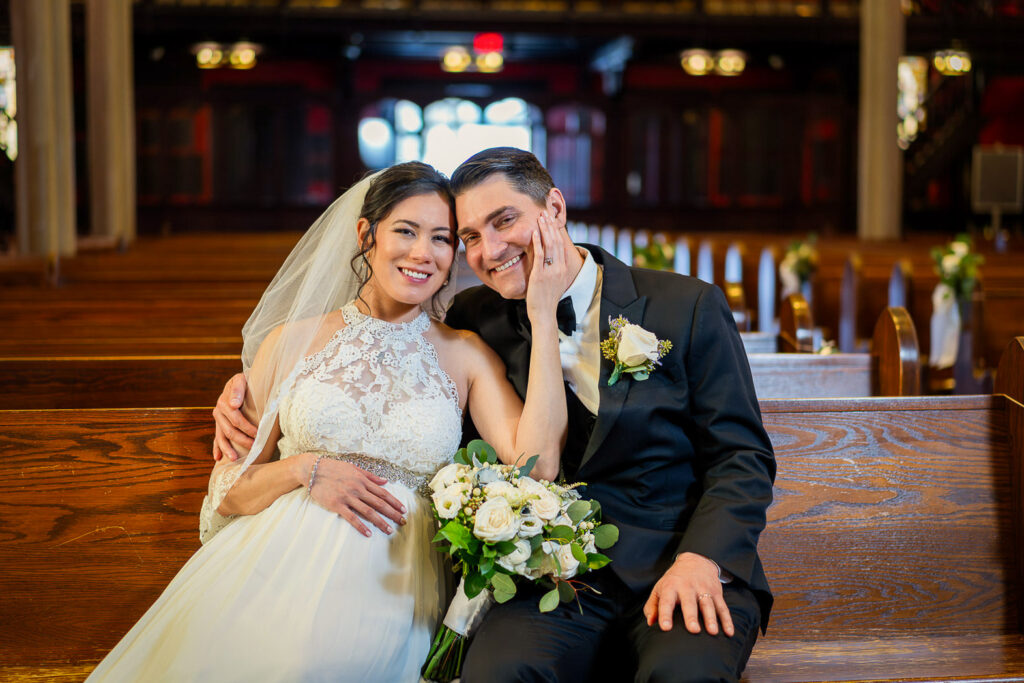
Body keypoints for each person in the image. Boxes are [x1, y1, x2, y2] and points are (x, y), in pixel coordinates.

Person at [214, 148, 776, 682]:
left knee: (683, 674)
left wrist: (703, 559)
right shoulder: (473, 318)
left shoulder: (685, 306)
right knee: (498, 673)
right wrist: (256, 391)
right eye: (469, 237)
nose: (489, 250)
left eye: (504, 221)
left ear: (553, 208)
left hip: (678, 562)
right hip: (551, 576)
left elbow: (741, 456)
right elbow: (392, 392)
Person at [87, 161, 572, 682]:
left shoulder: (465, 354)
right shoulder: (291, 340)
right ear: (366, 235)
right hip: (275, 565)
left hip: (395, 583)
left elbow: (537, 464)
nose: (422, 253)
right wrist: (304, 469)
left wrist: (543, 318)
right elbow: (228, 490)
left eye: (442, 238)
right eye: (405, 231)